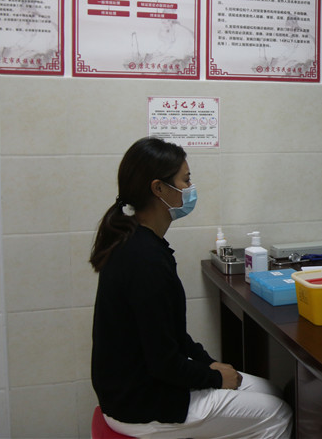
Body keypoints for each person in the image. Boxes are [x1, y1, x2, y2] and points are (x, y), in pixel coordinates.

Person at [90, 137, 292, 439]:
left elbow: (171, 337)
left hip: (140, 385)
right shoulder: (144, 260)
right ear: (159, 189)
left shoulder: (143, 244)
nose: (190, 188)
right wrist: (213, 378)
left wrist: (209, 363)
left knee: (271, 391)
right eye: (185, 180)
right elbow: (163, 362)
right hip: (139, 403)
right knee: (278, 413)